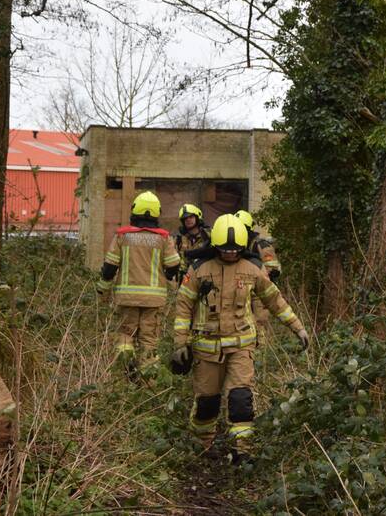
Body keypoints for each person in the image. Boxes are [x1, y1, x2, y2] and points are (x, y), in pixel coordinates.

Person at [171, 214, 309, 462]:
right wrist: (180, 343)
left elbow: (274, 300)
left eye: (235, 250)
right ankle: (203, 446)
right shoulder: (199, 269)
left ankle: (242, 451)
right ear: (216, 246)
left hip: (242, 346)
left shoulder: (253, 268)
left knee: (240, 399)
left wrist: (297, 327)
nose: (231, 254)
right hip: (206, 349)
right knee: (207, 403)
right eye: (225, 250)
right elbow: (183, 305)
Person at [98, 191, 181, 375]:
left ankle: (125, 371)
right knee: (149, 340)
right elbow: (174, 265)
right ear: (157, 212)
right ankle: (147, 380)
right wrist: (167, 275)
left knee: (125, 336)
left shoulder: (122, 236)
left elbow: (109, 267)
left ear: (135, 210)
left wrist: (102, 291)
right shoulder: (163, 238)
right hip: (154, 301)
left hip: (126, 299)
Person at [234, 210, 281, 281]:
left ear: (248, 229)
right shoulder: (236, 245)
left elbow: (273, 271)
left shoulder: (262, 246)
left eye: (241, 228)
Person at [175, 203, 210, 282]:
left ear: (197, 217)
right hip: (186, 279)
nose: (188, 220)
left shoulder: (208, 235)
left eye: (191, 217)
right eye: (185, 219)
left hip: (205, 277)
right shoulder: (179, 240)